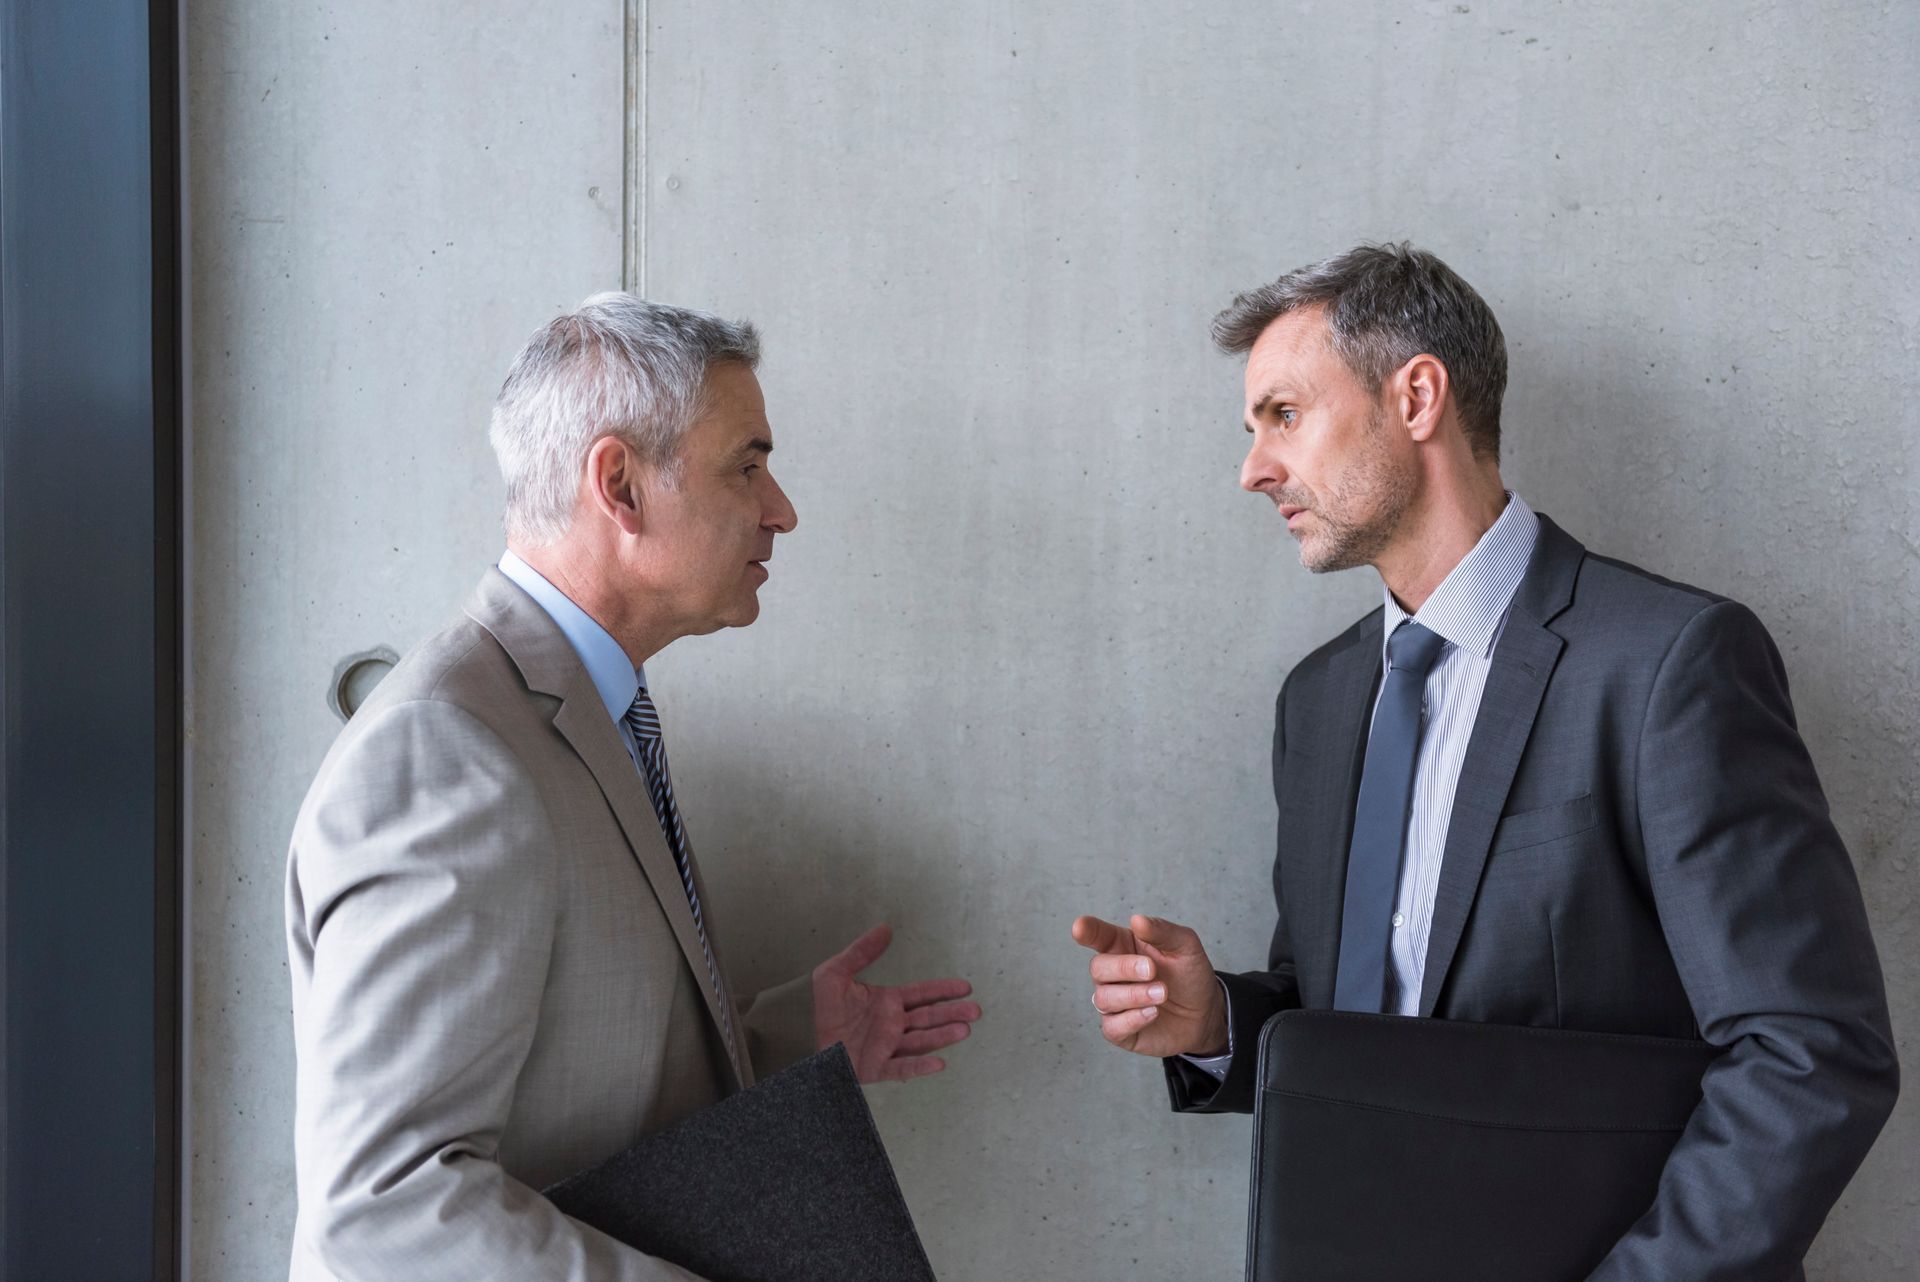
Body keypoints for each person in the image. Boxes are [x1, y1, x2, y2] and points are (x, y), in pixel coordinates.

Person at [1072, 243, 1897, 1280]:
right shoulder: (1319, 704)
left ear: (1416, 395)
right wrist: (1221, 1022)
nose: (1253, 468)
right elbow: (1364, 1022)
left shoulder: (1667, 666)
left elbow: (1811, 1054)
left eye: (1283, 413)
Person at [286, 295, 982, 1281]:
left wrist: (778, 1040)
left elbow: (564, 1067)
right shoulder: (448, 749)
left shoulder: (580, 710)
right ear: (618, 483)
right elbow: (385, 1205)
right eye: (747, 463)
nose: (780, 508)